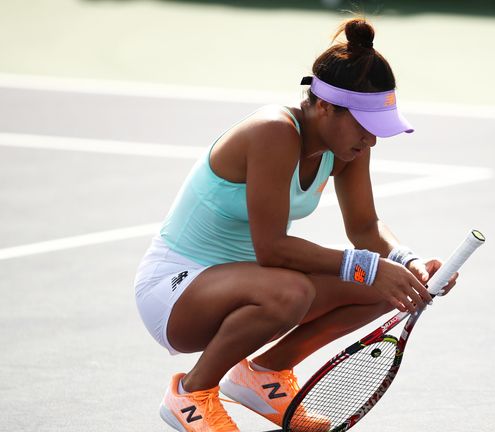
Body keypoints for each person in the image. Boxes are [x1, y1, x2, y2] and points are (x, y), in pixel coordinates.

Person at [133, 17, 459, 432]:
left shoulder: (349, 148)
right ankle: (190, 394)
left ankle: (263, 375)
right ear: (324, 107)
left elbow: (364, 226)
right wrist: (370, 266)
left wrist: (406, 263)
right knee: (295, 290)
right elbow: (272, 249)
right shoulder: (273, 131)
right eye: (364, 125)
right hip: (175, 293)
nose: (372, 139)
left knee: (388, 290)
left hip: (247, 284)